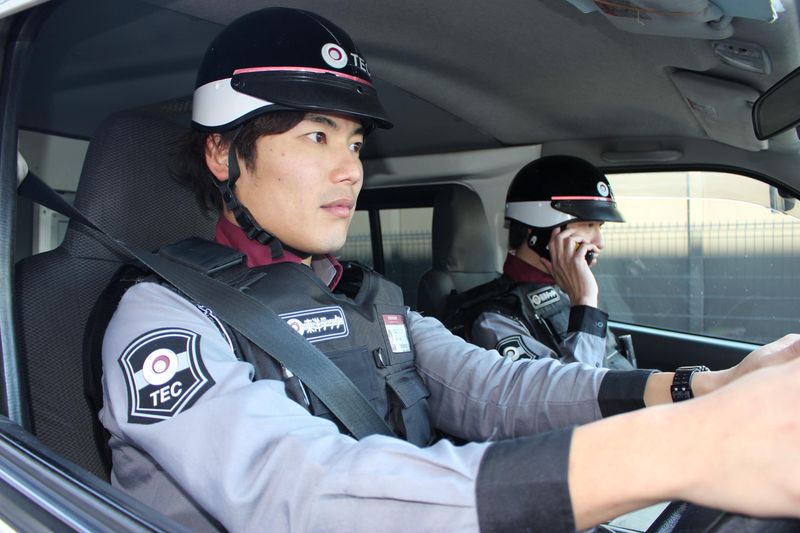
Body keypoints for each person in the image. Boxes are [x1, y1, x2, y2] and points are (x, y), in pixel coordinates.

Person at [97, 7, 800, 533]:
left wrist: (702, 386)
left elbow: (498, 388)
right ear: (223, 154)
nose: (350, 170)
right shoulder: (164, 317)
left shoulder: (367, 298)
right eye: (316, 135)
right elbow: (299, 492)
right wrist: (682, 448)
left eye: (355, 143)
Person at [449, 155, 631, 369]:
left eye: (600, 227)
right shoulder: (494, 320)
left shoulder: (567, 292)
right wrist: (585, 300)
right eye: (588, 225)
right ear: (540, 233)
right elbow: (574, 388)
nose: (600, 242)